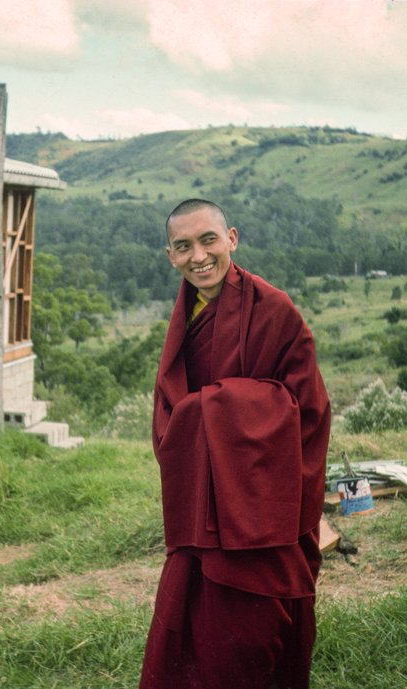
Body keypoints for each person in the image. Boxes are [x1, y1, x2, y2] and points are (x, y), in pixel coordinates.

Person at [139, 199, 332, 689]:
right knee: (193, 629)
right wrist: (193, 422)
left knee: (256, 636)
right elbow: (170, 404)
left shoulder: (274, 309)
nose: (198, 256)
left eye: (209, 240)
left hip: (261, 502)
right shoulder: (187, 312)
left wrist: (210, 411)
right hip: (203, 499)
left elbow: (308, 409)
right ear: (170, 256)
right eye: (184, 247)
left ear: (232, 239)